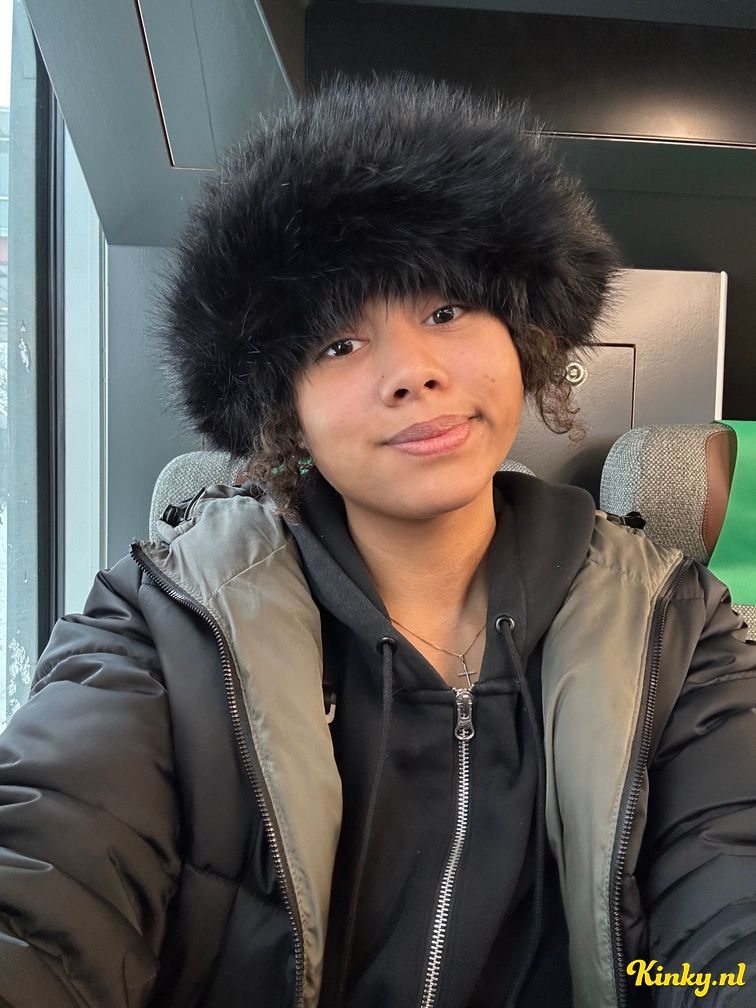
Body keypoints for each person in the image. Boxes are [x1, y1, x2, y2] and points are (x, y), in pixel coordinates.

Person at [1, 72, 755, 1008]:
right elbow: (47, 880)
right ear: (285, 409)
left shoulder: (678, 631)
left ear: (523, 334)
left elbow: (725, 925)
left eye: (446, 311)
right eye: (338, 344)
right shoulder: (164, 628)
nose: (413, 372)